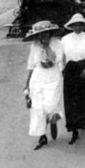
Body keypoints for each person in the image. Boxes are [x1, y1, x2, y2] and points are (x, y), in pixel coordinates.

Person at [22, 20, 65, 151]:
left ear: (50, 32)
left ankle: (52, 118)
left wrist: (46, 46)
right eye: (40, 34)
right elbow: (31, 65)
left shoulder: (57, 43)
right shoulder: (34, 45)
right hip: (38, 77)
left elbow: (56, 59)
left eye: (46, 33)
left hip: (52, 77)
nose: (43, 36)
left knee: (50, 105)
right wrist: (27, 84)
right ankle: (42, 136)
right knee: (37, 108)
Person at [60, 13, 85, 145]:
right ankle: (73, 129)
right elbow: (61, 57)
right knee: (71, 99)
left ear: (83, 25)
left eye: (80, 25)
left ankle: (83, 120)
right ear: (71, 26)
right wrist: (62, 69)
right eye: (74, 25)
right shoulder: (65, 39)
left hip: (84, 67)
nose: (77, 27)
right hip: (70, 69)